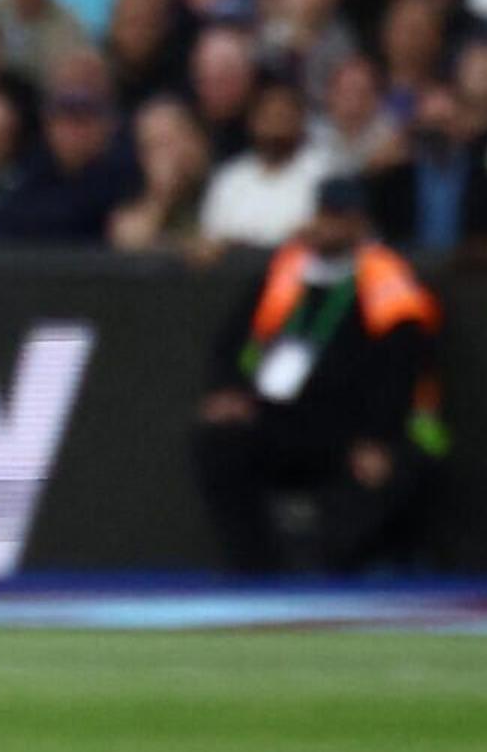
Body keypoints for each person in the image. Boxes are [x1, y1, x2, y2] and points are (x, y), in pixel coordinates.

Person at [189, 176, 445, 576]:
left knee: (389, 473)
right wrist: (228, 391)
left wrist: (378, 438)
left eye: (341, 217)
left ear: (361, 223)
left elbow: (402, 368)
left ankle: (337, 566)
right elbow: (231, 340)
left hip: (354, 428)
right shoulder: (287, 271)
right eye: (325, 215)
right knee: (218, 440)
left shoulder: (385, 280)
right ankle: (253, 568)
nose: (328, 226)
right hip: (284, 418)